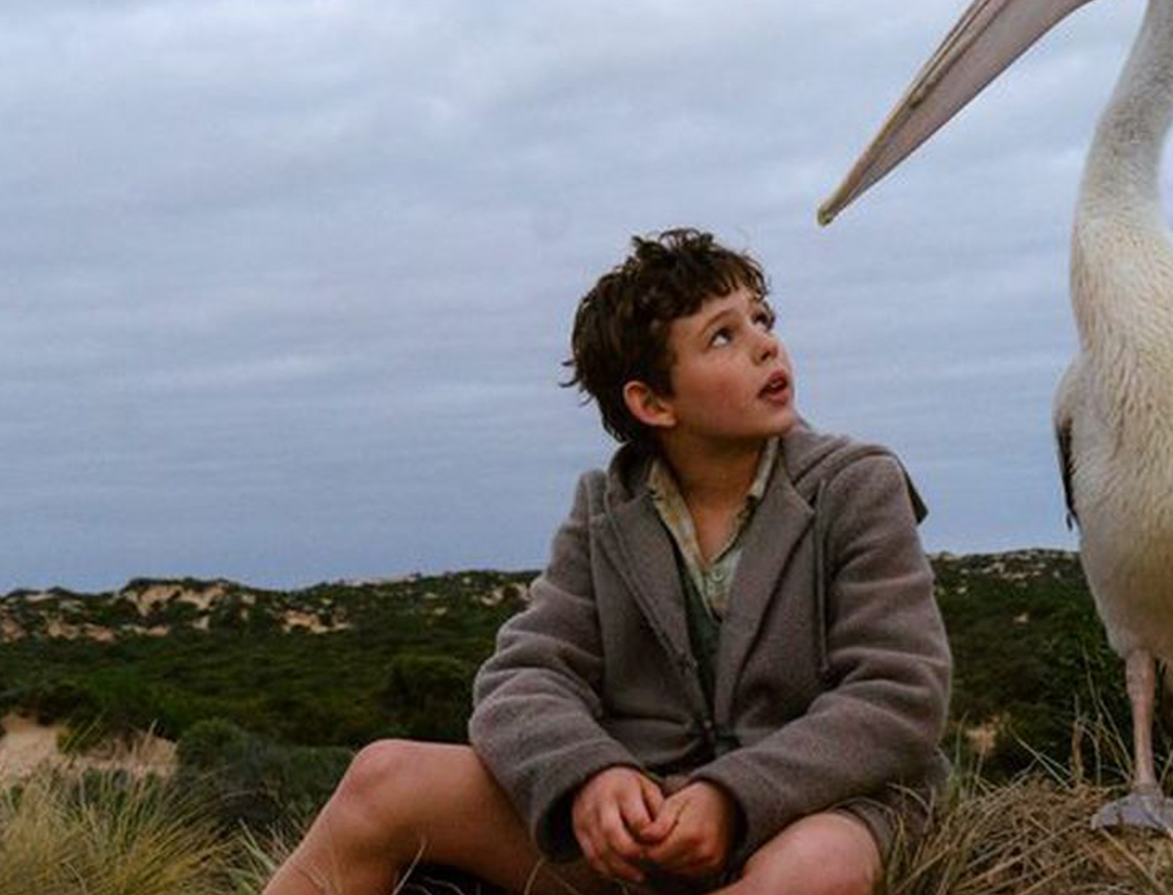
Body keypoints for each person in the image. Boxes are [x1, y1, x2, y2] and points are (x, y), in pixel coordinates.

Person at [262, 228, 951, 895]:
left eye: (762, 318)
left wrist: (734, 797)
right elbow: (523, 677)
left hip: (817, 812)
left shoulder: (858, 485)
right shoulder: (602, 510)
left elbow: (898, 691)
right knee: (383, 777)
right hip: (639, 830)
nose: (766, 344)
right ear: (652, 402)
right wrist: (589, 776)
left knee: (814, 872)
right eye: (723, 335)